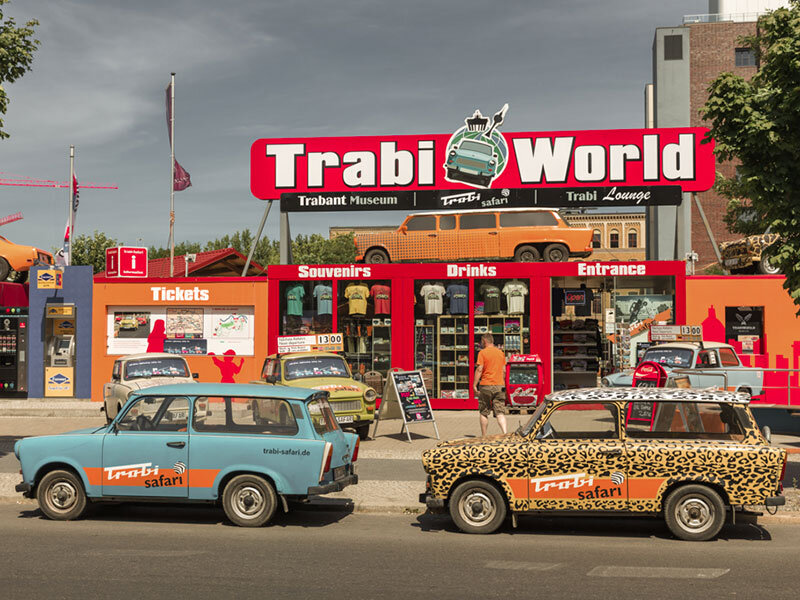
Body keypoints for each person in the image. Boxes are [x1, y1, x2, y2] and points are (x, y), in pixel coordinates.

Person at [474, 333, 507, 436]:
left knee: (484, 411)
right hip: (500, 385)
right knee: (500, 412)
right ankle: (505, 434)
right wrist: (502, 383)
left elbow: (479, 369)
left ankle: (484, 436)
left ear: (484, 341)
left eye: (481, 342)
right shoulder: (500, 353)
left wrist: (474, 384)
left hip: (486, 385)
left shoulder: (482, 353)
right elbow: (504, 371)